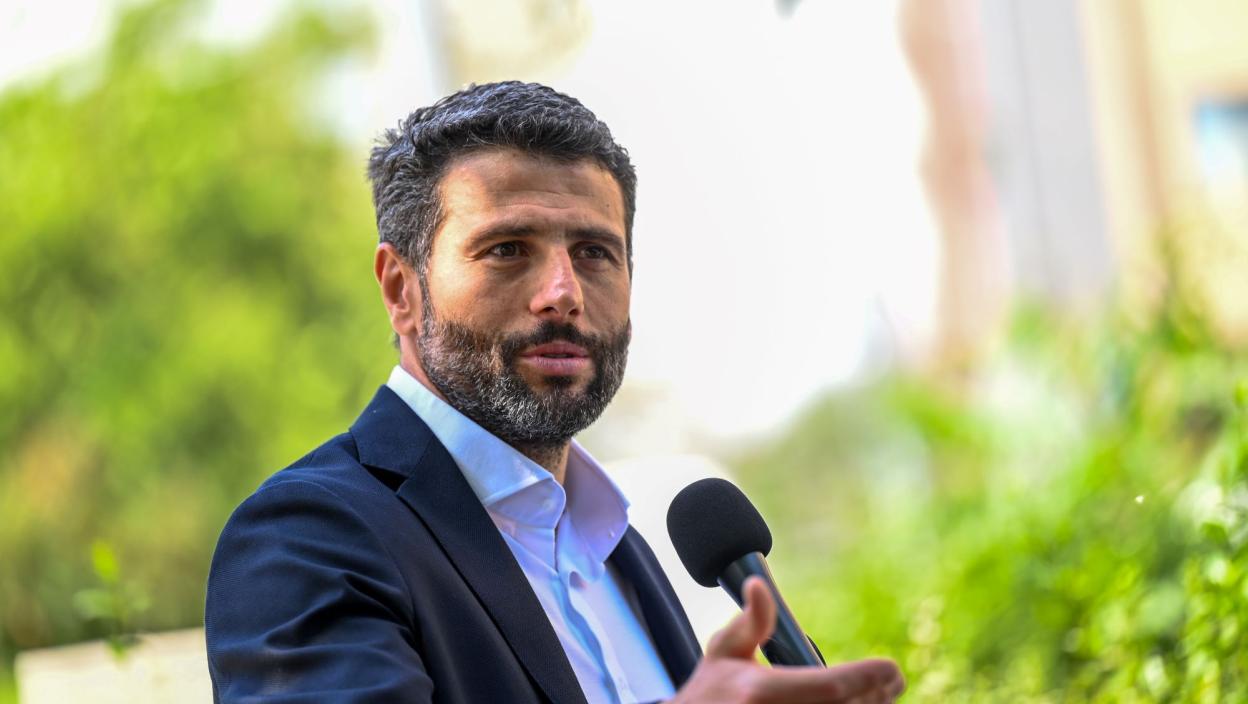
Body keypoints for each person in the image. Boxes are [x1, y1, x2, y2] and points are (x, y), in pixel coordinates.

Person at [204, 81, 904, 704]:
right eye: (507, 249)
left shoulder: (618, 550)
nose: (563, 293)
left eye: (595, 253)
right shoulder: (306, 540)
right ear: (401, 290)